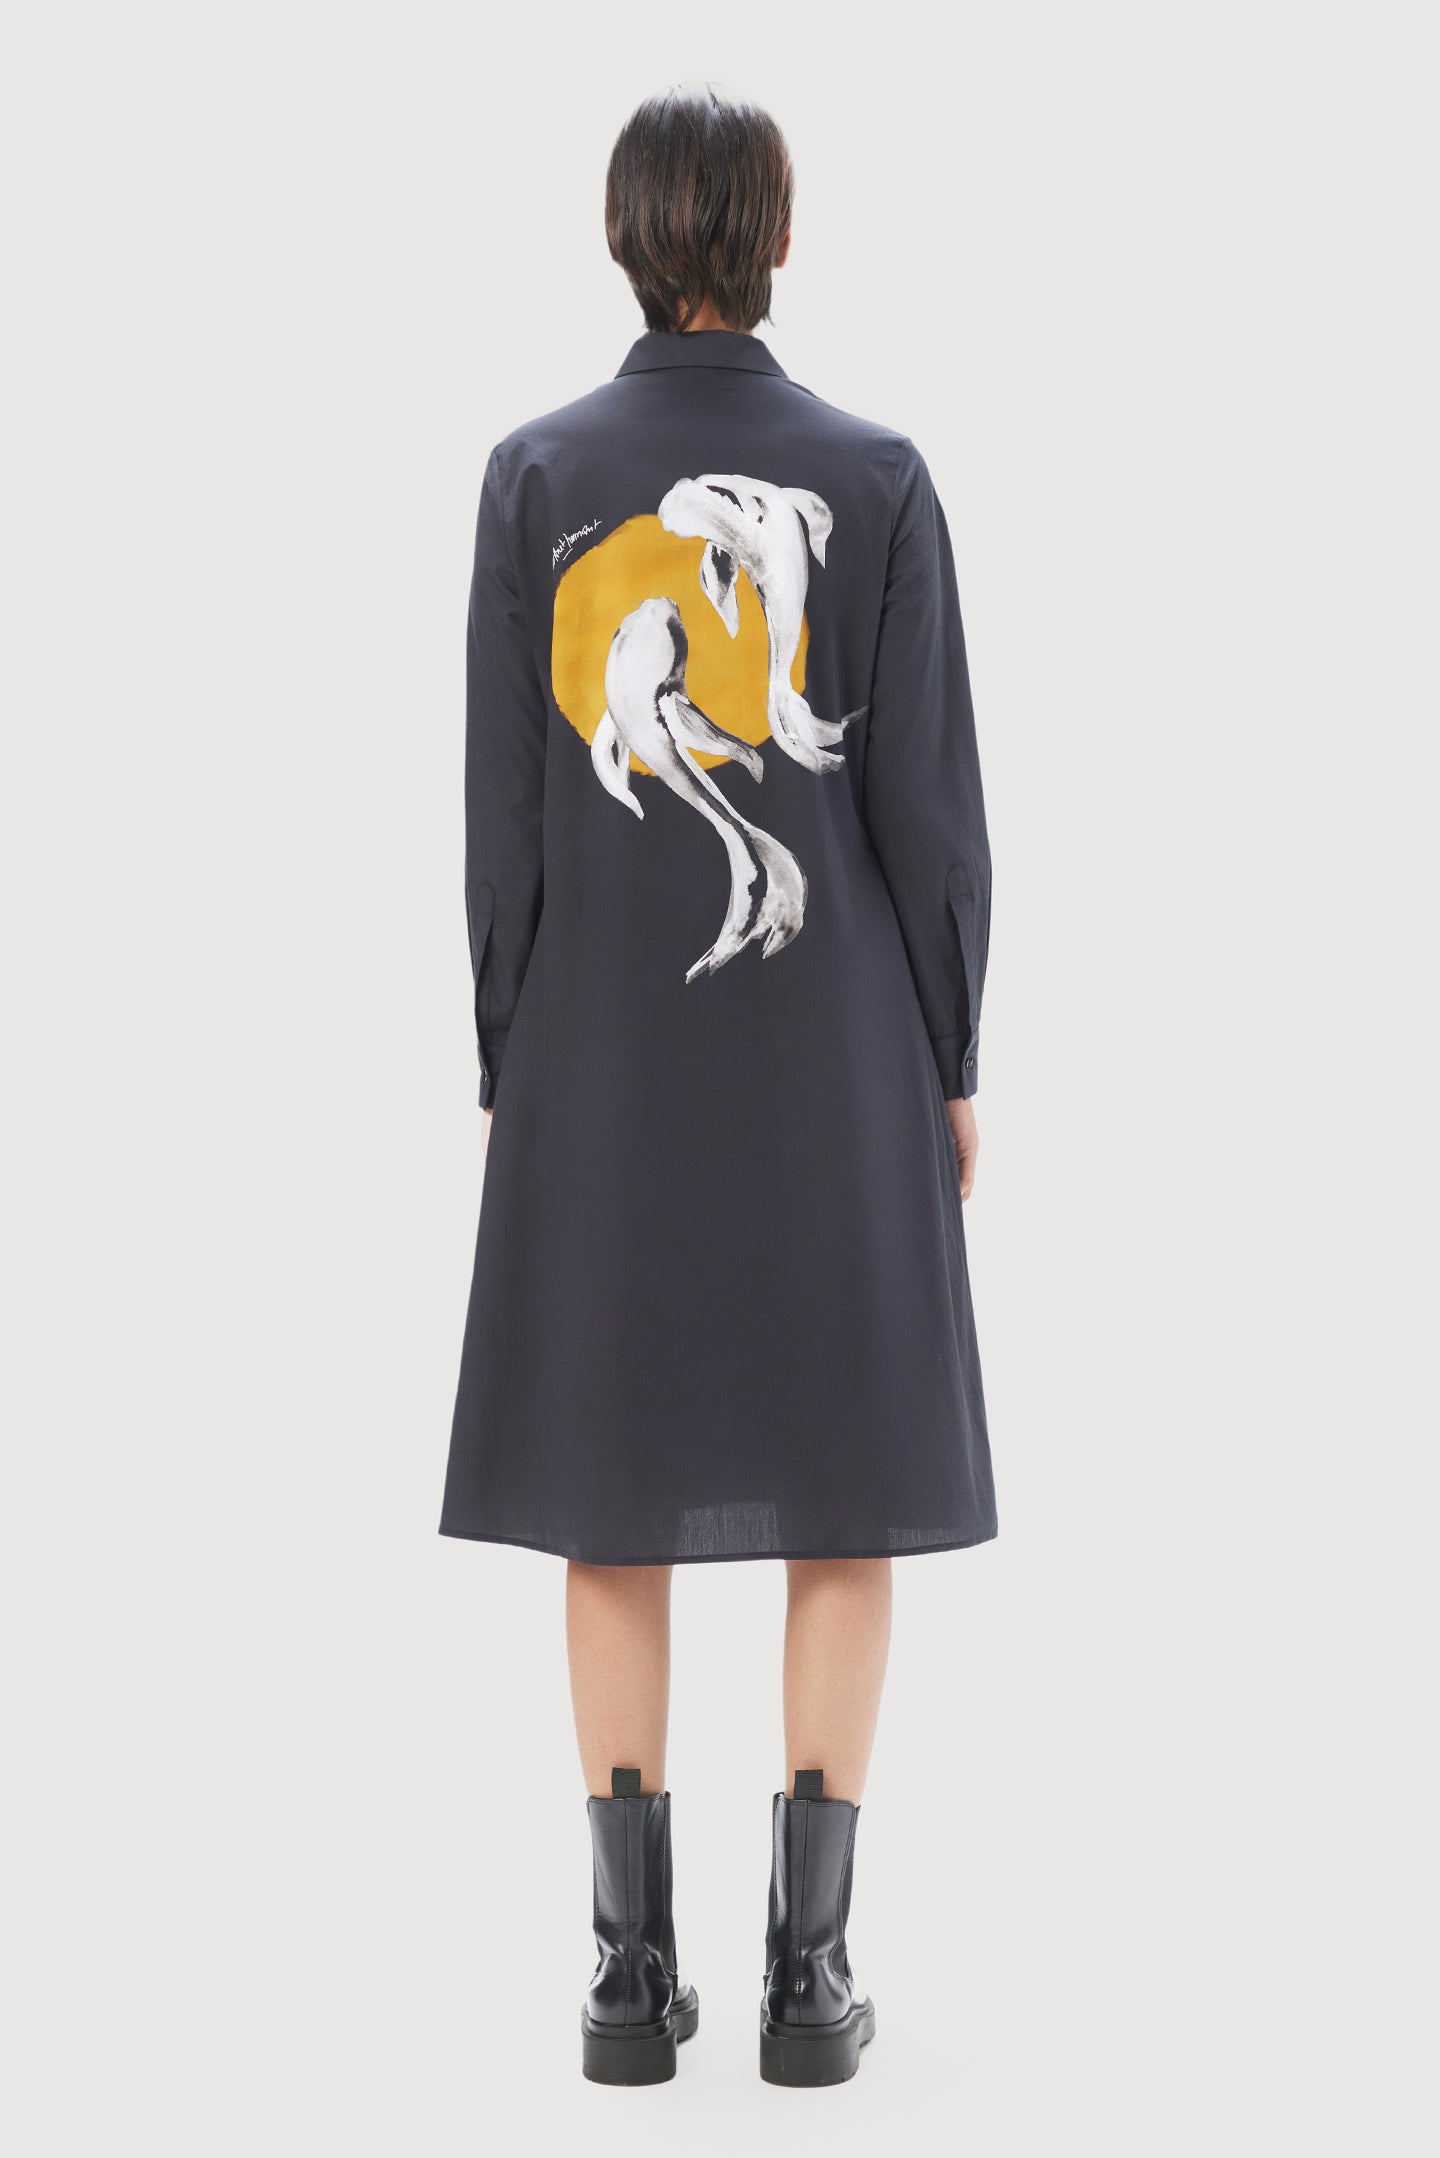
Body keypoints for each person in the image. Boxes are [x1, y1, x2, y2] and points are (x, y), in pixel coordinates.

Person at [440, 82, 995, 2089]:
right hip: (837, 1061)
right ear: (775, 236)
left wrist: (513, 1054)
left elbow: (506, 818)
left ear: (623, 236)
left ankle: (624, 1973)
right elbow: (929, 817)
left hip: (598, 1063)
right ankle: (809, 1980)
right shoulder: (881, 477)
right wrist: (952, 1056)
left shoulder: (532, 476)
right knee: (846, 1488)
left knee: (614, 1495)